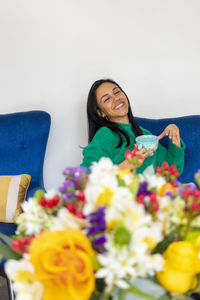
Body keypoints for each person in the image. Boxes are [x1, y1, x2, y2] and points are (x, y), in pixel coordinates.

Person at [81, 79, 185, 174]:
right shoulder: (105, 135)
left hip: (151, 192)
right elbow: (86, 175)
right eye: (107, 99)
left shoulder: (145, 134)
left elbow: (172, 171)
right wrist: (126, 166)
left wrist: (174, 136)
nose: (116, 98)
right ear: (101, 113)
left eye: (117, 92)